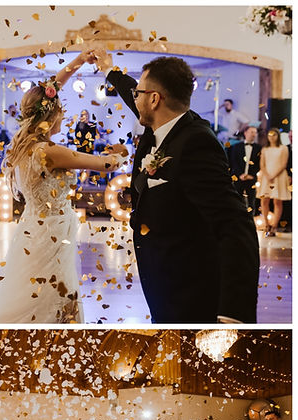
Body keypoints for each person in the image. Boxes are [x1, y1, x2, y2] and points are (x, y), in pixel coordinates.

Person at [0, 50, 128, 323]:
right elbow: (104, 165)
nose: (63, 116)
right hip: (53, 230)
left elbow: (49, 92)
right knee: (55, 290)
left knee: (32, 285)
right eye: (61, 111)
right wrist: (122, 154)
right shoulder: (49, 151)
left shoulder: (21, 142)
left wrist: (77, 63)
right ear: (51, 117)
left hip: (33, 226)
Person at [101, 52, 260, 323]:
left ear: (154, 99)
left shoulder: (196, 143)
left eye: (140, 93)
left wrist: (234, 314)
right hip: (164, 286)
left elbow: (236, 224)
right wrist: (108, 69)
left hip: (190, 295)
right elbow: (133, 95)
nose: (134, 98)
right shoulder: (161, 128)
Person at [257, 128, 291, 237]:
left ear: (278, 136)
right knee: (264, 200)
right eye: (270, 135)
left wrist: (274, 175)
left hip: (279, 176)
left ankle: (274, 226)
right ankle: (267, 224)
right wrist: (267, 175)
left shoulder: (283, 148)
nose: (272, 137)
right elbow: (262, 164)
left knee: (277, 201)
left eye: (274, 135)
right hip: (266, 176)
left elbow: (283, 164)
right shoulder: (265, 149)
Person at [229, 126, 261, 218]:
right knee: (237, 200)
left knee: (252, 201)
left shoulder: (259, 148)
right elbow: (234, 162)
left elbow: (259, 164)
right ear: (245, 133)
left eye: (255, 132)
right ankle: (237, 219)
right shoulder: (236, 147)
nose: (254, 134)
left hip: (251, 179)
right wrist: (240, 174)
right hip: (239, 178)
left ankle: (249, 221)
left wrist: (251, 175)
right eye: (251, 132)